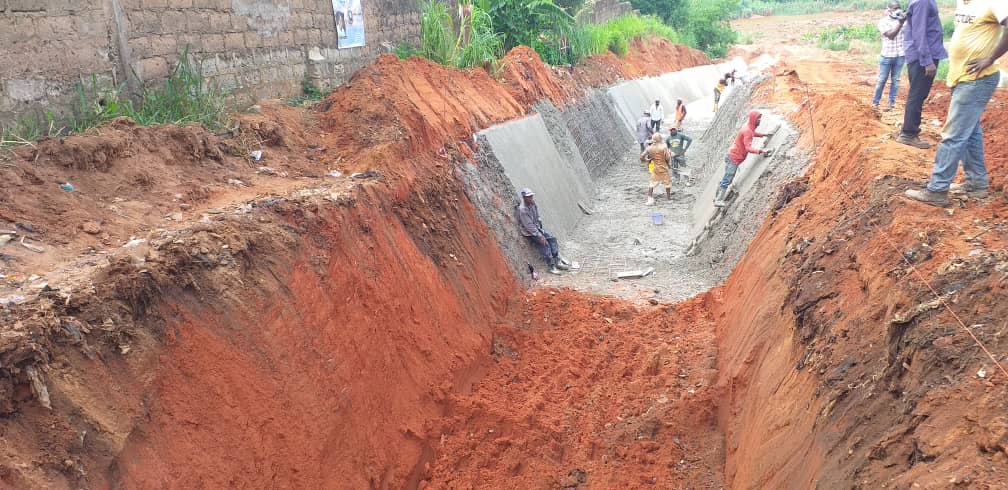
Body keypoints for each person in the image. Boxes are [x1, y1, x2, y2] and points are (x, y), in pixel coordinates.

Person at [905, 1, 1007, 206]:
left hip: (977, 79)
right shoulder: (963, 2)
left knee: (952, 136)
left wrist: (989, 59)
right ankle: (977, 184)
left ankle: (937, 189)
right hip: (960, 77)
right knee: (970, 133)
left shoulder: (994, 2)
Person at [898, 0, 948, 149]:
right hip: (923, 56)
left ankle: (909, 131)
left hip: (921, 54)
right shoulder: (923, 1)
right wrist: (927, 61)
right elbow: (920, 33)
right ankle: (908, 134)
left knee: (917, 94)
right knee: (917, 94)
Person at [715, 111, 775, 204]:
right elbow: (748, 148)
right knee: (727, 179)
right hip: (734, 158)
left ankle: (717, 197)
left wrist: (764, 135)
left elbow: (753, 133)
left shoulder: (748, 128)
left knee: (726, 178)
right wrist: (761, 151)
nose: (759, 121)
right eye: (758, 119)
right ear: (754, 120)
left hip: (732, 155)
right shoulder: (747, 131)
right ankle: (718, 200)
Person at [518, 188, 571, 274]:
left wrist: (540, 226)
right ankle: (551, 266)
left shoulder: (532, 203)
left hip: (537, 227)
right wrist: (540, 236)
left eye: (531, 196)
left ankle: (557, 260)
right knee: (545, 245)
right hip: (530, 232)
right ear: (524, 197)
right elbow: (529, 226)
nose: (531, 198)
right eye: (529, 197)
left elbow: (537, 215)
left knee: (552, 239)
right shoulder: (523, 210)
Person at [872, 1, 908, 111]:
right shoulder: (883, 22)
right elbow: (891, 35)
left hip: (900, 55)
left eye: (898, 8)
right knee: (882, 80)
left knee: (896, 81)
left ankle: (891, 104)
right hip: (887, 55)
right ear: (888, 10)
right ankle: (875, 103)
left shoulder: (904, 21)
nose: (897, 10)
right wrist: (900, 23)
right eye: (894, 8)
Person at [640, 133, 671, 205]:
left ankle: (650, 198)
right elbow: (667, 157)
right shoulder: (664, 147)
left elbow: (641, 157)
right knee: (667, 183)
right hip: (663, 167)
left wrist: (647, 160)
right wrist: (668, 164)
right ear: (660, 139)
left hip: (655, 167)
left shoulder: (649, 148)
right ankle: (668, 199)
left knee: (652, 183)